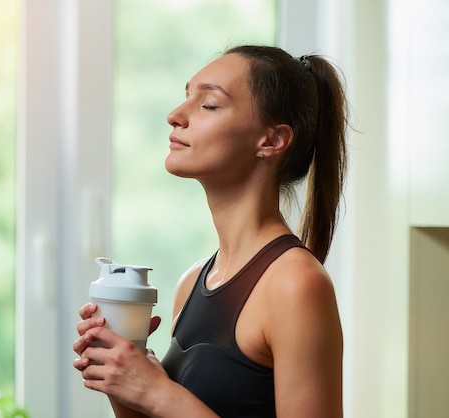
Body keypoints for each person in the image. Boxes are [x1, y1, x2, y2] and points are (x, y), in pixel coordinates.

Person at [73, 44, 348, 418]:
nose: (175, 116)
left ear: (271, 140)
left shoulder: (295, 283)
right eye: (186, 97)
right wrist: (125, 379)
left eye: (209, 105)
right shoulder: (191, 282)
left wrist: (159, 393)